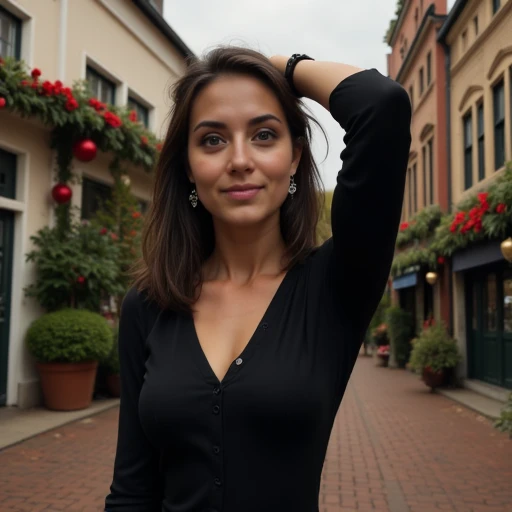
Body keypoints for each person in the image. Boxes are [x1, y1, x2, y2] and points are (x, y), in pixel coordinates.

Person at [104, 47, 411, 512]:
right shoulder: (148, 305)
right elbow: (132, 489)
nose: (240, 160)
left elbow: (381, 105)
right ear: (188, 166)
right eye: (212, 140)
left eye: (264, 135)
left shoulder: (336, 285)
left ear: (294, 158)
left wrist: (279, 66)